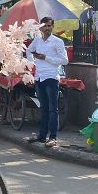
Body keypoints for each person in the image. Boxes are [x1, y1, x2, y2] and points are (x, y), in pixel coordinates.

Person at [26, 16, 68, 147]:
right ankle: (42, 136)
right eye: (45, 26)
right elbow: (28, 50)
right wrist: (31, 63)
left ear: (52, 27)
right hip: (39, 77)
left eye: (49, 26)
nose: (47, 28)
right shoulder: (37, 41)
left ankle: (53, 137)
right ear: (41, 27)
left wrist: (46, 58)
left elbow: (64, 60)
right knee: (43, 108)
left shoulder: (57, 42)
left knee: (53, 109)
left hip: (51, 77)